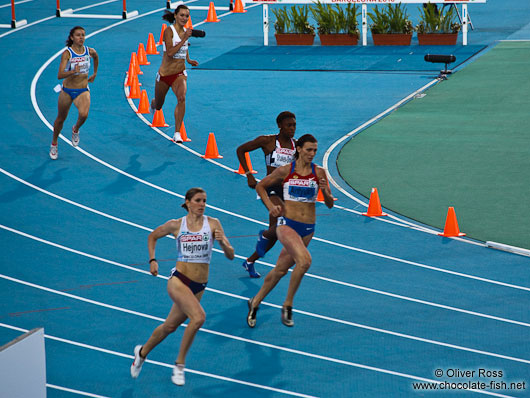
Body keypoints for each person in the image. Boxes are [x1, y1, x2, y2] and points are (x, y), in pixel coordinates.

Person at [130, 187, 234, 386]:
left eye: (204, 201)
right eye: (198, 200)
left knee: (170, 326)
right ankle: (179, 365)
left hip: (199, 285)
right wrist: (152, 260)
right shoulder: (177, 225)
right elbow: (152, 236)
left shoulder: (213, 224)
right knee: (198, 318)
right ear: (187, 202)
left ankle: (141, 353)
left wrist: (224, 244)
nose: (202, 204)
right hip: (179, 280)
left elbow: (231, 255)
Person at [246, 134, 334, 328]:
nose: (312, 154)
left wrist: (326, 192)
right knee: (304, 262)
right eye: (309, 150)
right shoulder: (286, 170)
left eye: (315, 150)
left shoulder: (319, 173)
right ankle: (288, 304)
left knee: (280, 270)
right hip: (287, 225)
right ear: (299, 149)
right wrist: (270, 206)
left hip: (308, 229)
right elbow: (260, 186)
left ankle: (255, 302)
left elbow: (329, 205)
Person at [235, 111, 297, 278]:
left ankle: (250, 261)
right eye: (288, 125)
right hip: (270, 188)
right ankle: (263, 236)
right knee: (283, 217)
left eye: (294, 125)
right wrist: (249, 174)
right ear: (280, 126)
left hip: (288, 191)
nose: (292, 128)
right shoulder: (268, 141)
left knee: (276, 232)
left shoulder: (296, 146)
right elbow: (241, 150)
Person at [151, 5, 198, 143]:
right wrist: (184, 38)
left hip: (179, 73)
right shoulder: (169, 31)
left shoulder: (185, 31)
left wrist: (188, 59)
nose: (184, 18)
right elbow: (170, 53)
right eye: (182, 15)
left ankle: (177, 132)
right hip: (165, 75)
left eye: (187, 16)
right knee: (159, 105)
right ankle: (154, 104)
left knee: (182, 98)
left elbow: (184, 47)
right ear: (176, 16)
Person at [50, 26, 98, 160]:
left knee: (84, 114)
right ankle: (54, 143)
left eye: (83, 35)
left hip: (82, 89)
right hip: (67, 90)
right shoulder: (67, 53)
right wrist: (73, 71)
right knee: (60, 119)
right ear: (72, 38)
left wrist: (94, 73)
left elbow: (96, 57)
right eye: (78, 35)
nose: (81, 37)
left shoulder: (90, 51)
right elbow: (60, 75)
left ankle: (75, 129)